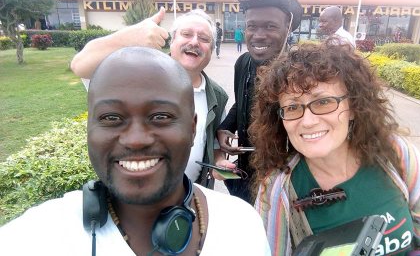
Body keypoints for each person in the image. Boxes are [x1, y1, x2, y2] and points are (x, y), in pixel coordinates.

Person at [0, 47, 272, 256]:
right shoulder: (33, 238)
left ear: (192, 129)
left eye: (161, 116)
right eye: (110, 118)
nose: (136, 140)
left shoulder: (243, 226)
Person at [248, 41, 420, 255]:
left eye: (323, 102)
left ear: (353, 106)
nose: (307, 121)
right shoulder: (278, 188)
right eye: (292, 107)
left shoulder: (394, 153)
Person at [71, 8, 228, 189]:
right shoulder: (135, 75)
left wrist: (219, 162)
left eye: (204, 38)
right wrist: (127, 39)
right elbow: (79, 65)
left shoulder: (217, 95)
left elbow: (214, 144)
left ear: (211, 49)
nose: (194, 42)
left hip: (189, 202)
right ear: (172, 40)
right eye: (186, 34)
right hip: (130, 199)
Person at [215, 0, 302, 204]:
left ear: (287, 27)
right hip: (244, 172)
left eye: (270, 26)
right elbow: (241, 101)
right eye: (251, 26)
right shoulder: (243, 63)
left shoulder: (301, 73)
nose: (259, 35)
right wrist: (224, 128)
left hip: (284, 177)